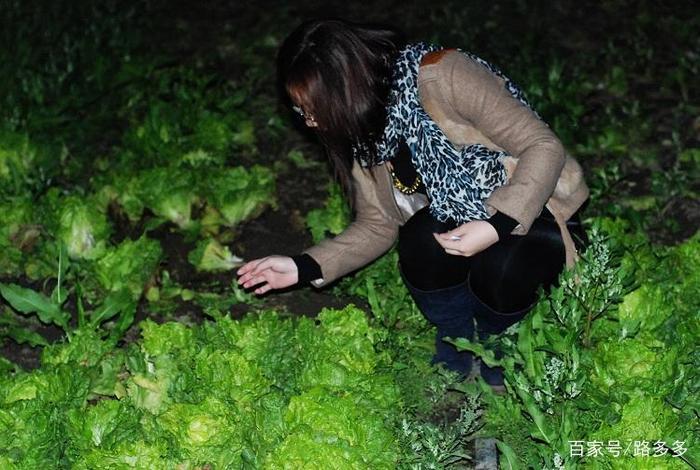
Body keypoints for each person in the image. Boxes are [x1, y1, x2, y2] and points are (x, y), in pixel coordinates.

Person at [237, 18, 589, 386]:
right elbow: (378, 223)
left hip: (533, 205)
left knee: (504, 265)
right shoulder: (366, 130)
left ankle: (496, 339)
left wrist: (495, 225)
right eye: (300, 111)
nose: (309, 122)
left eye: (313, 107)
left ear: (347, 88)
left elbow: (543, 147)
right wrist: (303, 266)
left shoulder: (444, 76)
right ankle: (456, 335)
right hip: (455, 212)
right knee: (420, 239)